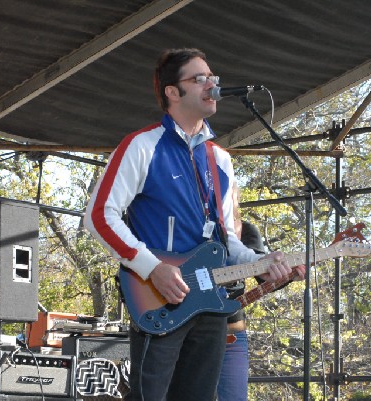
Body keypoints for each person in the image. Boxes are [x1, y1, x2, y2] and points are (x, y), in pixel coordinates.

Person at [84, 48, 303, 401]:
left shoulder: (220, 159)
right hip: (159, 298)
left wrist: (264, 264)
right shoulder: (142, 145)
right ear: (173, 92)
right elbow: (98, 216)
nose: (211, 84)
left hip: (210, 304)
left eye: (213, 78)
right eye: (199, 78)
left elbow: (227, 240)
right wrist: (153, 268)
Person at [217, 219, 266, 401]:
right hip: (192, 328)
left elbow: (265, 277)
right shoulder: (194, 225)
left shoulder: (246, 230)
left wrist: (291, 274)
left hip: (233, 333)